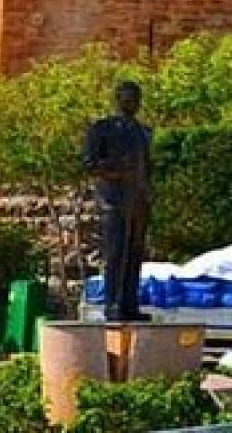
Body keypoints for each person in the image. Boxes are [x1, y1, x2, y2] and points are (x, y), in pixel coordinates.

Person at [82, 81, 153, 322]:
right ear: (118, 99)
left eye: (136, 97)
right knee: (115, 253)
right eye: (127, 97)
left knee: (134, 254)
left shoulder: (145, 132)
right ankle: (112, 304)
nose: (132, 102)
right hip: (114, 199)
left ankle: (129, 304)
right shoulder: (103, 128)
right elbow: (90, 164)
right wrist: (119, 172)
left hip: (139, 201)